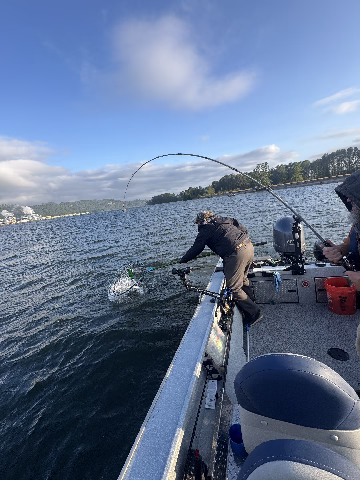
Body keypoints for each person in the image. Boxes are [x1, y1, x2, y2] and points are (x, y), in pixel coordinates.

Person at [180, 211, 262, 325]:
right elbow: (244, 230)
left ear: (200, 221)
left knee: (234, 288)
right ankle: (252, 301)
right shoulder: (225, 219)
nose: (198, 225)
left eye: (198, 223)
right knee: (243, 279)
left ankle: (254, 313)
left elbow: (196, 248)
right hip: (248, 246)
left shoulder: (205, 229)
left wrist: (183, 260)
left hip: (236, 254)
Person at [322, 169, 360, 356]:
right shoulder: (357, 225)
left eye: (353, 201)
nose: (349, 206)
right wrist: (337, 250)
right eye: (349, 201)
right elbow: (348, 245)